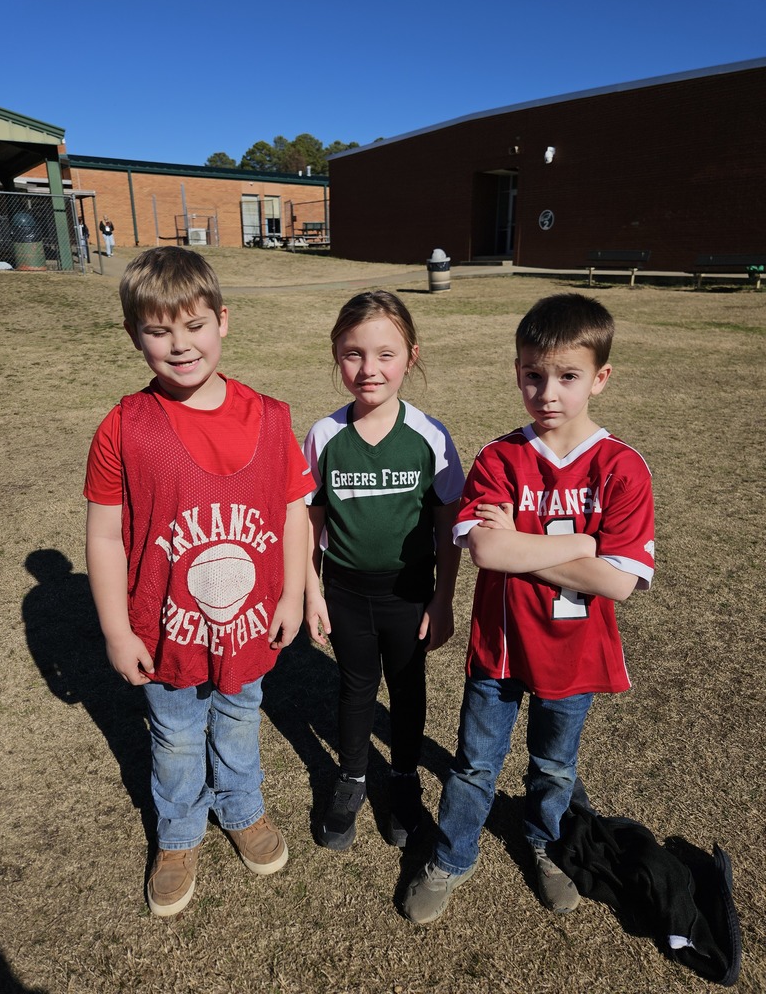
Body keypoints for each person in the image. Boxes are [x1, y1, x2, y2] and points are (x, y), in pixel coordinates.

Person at [403, 293, 655, 924]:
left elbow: (619, 583)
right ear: (517, 371)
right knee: (473, 765)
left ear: (599, 378)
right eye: (532, 374)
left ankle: (545, 845)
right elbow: (486, 549)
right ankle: (453, 855)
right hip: (501, 649)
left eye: (568, 377)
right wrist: (578, 544)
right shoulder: (498, 457)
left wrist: (523, 546)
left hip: (574, 654)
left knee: (554, 766)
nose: (548, 392)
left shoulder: (622, 468)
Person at [84, 246, 312, 917]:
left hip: (247, 622)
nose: (179, 346)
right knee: (178, 734)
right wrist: (117, 629)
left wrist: (294, 592)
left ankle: (242, 808)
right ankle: (179, 832)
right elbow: (103, 535)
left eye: (193, 325)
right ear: (135, 336)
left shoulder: (272, 417)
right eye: (158, 331)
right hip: (167, 629)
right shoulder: (124, 427)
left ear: (223, 321)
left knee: (240, 715)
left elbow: (294, 510)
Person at [303, 290, 464, 851]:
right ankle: (350, 778)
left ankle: (402, 777)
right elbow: (309, 522)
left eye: (385, 354)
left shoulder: (431, 437)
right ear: (336, 355)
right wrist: (310, 592)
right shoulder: (324, 436)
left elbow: (448, 527)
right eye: (353, 354)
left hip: (410, 592)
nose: (368, 369)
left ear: (411, 357)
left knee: (407, 687)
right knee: (354, 688)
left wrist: (442, 601)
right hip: (345, 590)